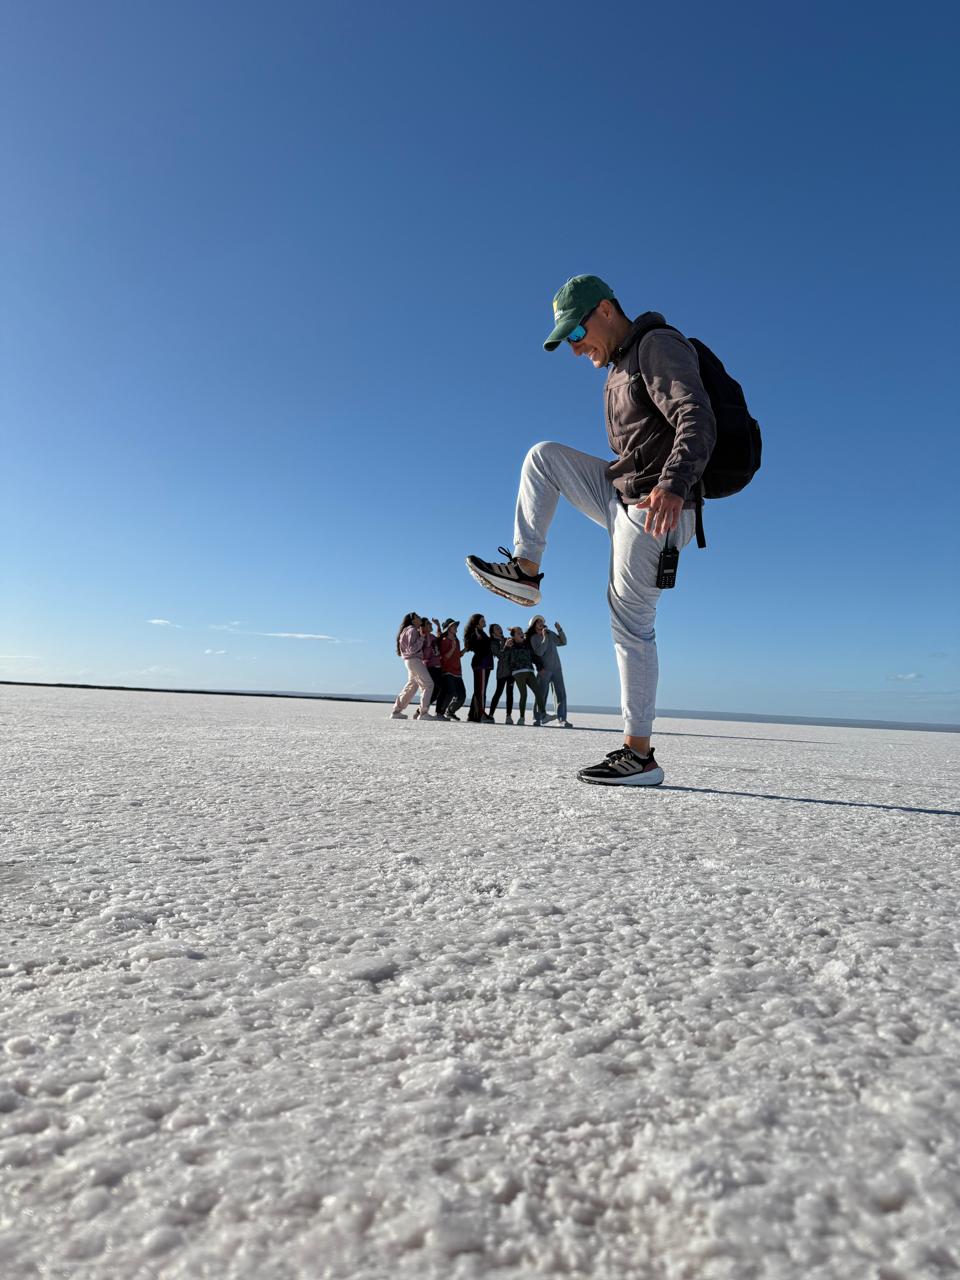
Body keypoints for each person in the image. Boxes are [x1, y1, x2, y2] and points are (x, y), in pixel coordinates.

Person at [467, 274, 716, 785]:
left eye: (577, 332)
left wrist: (673, 483)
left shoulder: (657, 345)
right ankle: (526, 570)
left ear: (605, 309)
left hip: (659, 504)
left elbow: (696, 414)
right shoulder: (621, 364)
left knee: (630, 624)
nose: (576, 348)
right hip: (622, 493)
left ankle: (639, 754)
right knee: (544, 458)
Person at [391, 611, 435, 720]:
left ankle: (396, 711)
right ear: (413, 619)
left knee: (412, 685)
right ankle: (423, 713)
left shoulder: (406, 631)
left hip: (409, 661)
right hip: (414, 660)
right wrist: (422, 637)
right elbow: (412, 649)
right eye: (418, 617)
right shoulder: (413, 630)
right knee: (428, 684)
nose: (420, 618)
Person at [529, 617, 571, 728]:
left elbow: (563, 642)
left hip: (557, 669)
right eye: (538, 622)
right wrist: (544, 637)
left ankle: (562, 719)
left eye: (542, 622)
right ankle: (538, 718)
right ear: (533, 624)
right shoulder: (534, 638)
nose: (541, 623)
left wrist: (559, 630)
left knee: (560, 694)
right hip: (544, 670)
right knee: (541, 695)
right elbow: (539, 652)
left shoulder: (550, 634)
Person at [503, 625, 544, 725]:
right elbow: (504, 658)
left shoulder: (527, 644)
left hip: (530, 670)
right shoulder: (511, 645)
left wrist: (540, 667)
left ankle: (544, 714)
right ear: (513, 636)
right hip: (518, 672)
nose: (521, 633)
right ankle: (522, 718)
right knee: (524, 694)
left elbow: (534, 657)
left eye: (521, 631)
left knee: (538, 691)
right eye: (518, 632)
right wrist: (506, 647)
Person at [462, 613, 495, 723]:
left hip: (484, 664)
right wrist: (477, 638)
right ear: (476, 622)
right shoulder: (475, 633)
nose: (485, 621)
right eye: (482, 620)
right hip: (481, 664)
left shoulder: (482, 633)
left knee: (479, 690)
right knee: (480, 691)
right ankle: (480, 715)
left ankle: (473, 715)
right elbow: (470, 645)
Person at [435, 618, 467, 720]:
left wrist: (464, 650)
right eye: (454, 626)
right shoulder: (444, 641)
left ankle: (450, 711)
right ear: (448, 628)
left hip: (458, 671)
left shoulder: (456, 640)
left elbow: (458, 655)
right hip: (447, 671)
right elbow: (444, 658)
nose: (456, 627)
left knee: (462, 696)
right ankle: (440, 713)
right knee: (451, 692)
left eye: (456, 625)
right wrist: (452, 649)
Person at [487, 623, 514, 723]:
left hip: (511, 671)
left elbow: (521, 637)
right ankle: (491, 715)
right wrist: (506, 646)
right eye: (496, 628)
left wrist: (513, 631)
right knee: (498, 692)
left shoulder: (507, 639)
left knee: (510, 693)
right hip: (502, 672)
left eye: (499, 627)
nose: (499, 629)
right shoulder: (493, 642)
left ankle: (508, 716)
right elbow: (499, 655)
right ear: (493, 632)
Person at [420, 617, 443, 712]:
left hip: (438, 667)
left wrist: (438, 625)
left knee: (439, 690)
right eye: (428, 624)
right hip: (430, 667)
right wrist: (428, 645)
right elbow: (424, 656)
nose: (431, 625)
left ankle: (422, 709)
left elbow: (439, 638)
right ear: (423, 627)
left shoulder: (432, 636)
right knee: (434, 689)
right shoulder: (423, 638)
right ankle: (422, 710)